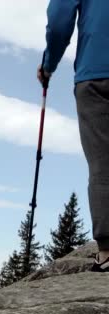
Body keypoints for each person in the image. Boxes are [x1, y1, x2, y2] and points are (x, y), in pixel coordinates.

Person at [40, 0, 109, 272]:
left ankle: (107, 253)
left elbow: (59, 20)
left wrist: (48, 65)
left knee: (103, 162)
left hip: (96, 74)